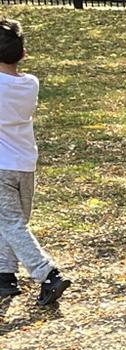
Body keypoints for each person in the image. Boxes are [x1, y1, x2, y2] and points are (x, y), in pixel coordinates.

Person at [0, 17, 69, 306]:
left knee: (11, 223)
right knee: (11, 223)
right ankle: (5, 275)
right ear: (23, 53)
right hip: (25, 163)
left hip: (1, 166)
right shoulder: (30, 84)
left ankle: (47, 273)